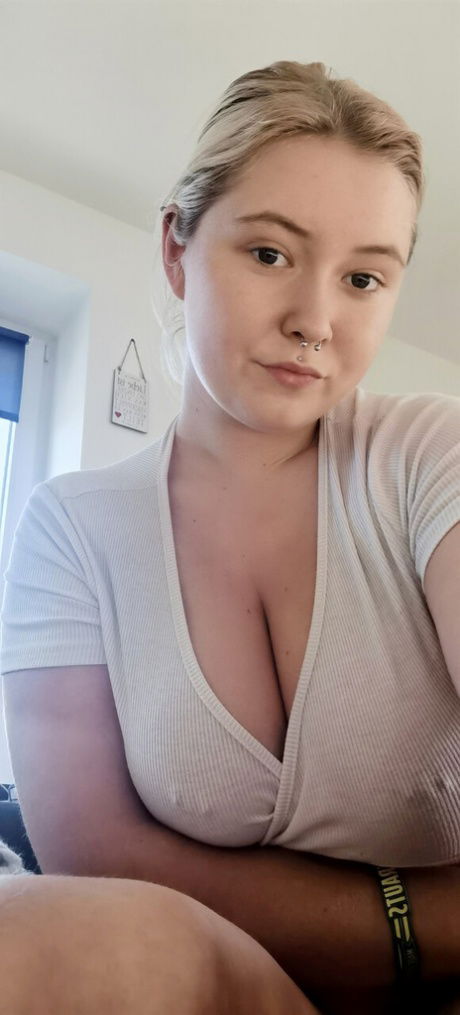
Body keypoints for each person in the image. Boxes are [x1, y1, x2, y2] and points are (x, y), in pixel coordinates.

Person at [1, 60, 459, 1015]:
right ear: (177, 247)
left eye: (363, 278)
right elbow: (100, 864)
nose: (313, 322)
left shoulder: (430, 455)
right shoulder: (71, 531)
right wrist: (421, 922)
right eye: (269, 254)